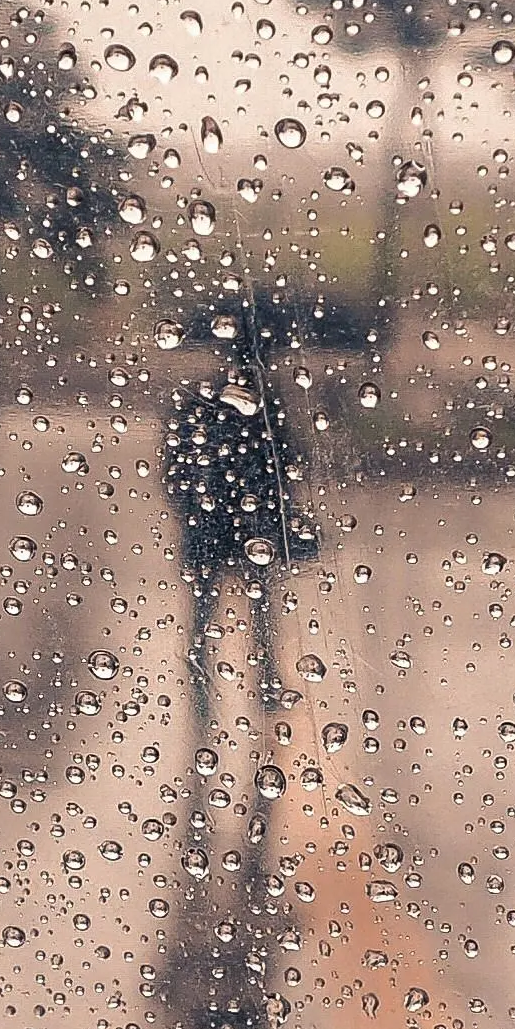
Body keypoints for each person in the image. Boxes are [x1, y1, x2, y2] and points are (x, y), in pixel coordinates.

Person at [161, 306, 311, 757]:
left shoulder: (205, 402)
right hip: (243, 528)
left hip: (218, 527)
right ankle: (252, 682)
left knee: (218, 609)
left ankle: (207, 685)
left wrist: (191, 508)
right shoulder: (264, 405)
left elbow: (175, 467)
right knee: (253, 608)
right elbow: (287, 465)